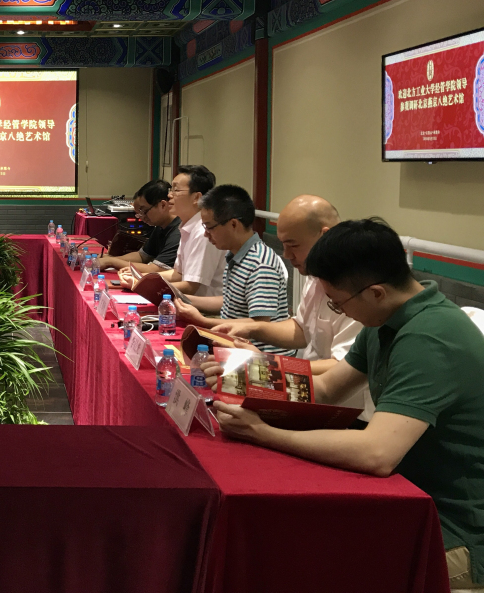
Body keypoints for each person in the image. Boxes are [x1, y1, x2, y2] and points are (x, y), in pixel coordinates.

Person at [205, 219, 484, 592]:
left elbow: (376, 453)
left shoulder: (430, 338)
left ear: (376, 292)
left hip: (454, 528)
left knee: (311, 560)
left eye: (337, 303)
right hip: (407, 496)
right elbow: (325, 388)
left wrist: (262, 432)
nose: (338, 312)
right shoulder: (387, 319)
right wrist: (245, 374)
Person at [210, 195, 369, 416]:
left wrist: (267, 364)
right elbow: (301, 330)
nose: (286, 255)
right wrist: (250, 329)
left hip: (348, 411)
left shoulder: (358, 289)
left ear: (324, 236)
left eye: (293, 245)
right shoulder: (316, 273)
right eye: (283, 245)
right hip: (308, 393)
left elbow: (343, 368)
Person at [175, 184, 291, 355]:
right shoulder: (236, 254)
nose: (206, 234)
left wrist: (203, 321)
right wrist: (183, 299)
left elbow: (259, 324)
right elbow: (229, 301)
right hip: (234, 345)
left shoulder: (260, 263)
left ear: (233, 224)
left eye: (209, 227)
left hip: (259, 357)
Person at [144, 165, 224, 297]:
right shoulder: (187, 226)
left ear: (196, 197)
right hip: (188, 303)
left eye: (176, 190)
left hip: (204, 306)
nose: (169, 195)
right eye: (171, 189)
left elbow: (190, 286)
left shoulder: (203, 232)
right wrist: (143, 278)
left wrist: (145, 286)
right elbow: (178, 274)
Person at [97, 180, 180, 274]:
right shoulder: (160, 226)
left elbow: (156, 270)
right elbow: (142, 256)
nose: (141, 217)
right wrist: (110, 258)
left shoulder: (178, 232)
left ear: (163, 205)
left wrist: (111, 262)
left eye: (144, 211)